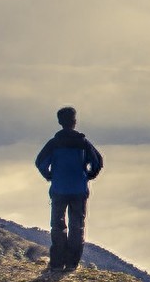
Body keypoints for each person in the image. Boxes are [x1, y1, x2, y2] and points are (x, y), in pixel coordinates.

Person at [35, 106, 103, 272]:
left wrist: (50, 176)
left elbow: (40, 162)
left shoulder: (54, 143)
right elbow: (98, 162)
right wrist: (88, 175)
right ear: (74, 121)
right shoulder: (83, 142)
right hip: (79, 190)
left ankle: (57, 263)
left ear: (59, 122)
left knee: (58, 226)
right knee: (77, 225)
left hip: (59, 189)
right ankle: (72, 263)